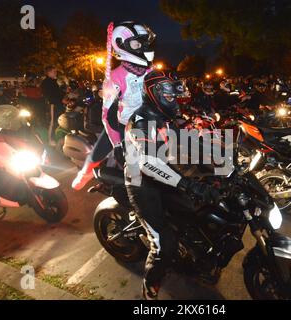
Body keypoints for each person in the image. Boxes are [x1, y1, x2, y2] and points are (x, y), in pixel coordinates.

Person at [124, 71, 220, 300]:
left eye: (176, 95)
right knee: (163, 246)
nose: (174, 100)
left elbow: (189, 142)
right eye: (169, 95)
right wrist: (189, 184)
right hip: (142, 182)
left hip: (164, 174)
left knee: (196, 212)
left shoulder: (162, 116)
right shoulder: (141, 120)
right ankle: (148, 295)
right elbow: (148, 163)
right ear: (155, 92)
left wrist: (222, 160)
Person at [72, 21, 156, 190]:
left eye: (144, 42)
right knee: (99, 152)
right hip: (121, 125)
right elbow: (108, 115)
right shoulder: (115, 78)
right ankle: (85, 174)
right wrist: (117, 143)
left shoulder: (151, 72)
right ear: (120, 45)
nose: (143, 47)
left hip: (145, 123)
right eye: (137, 43)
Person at [41, 66, 64, 146]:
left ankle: (56, 138)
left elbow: (56, 94)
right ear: (49, 72)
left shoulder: (53, 81)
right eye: (54, 71)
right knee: (53, 122)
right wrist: (60, 100)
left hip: (57, 104)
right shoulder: (47, 82)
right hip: (53, 105)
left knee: (58, 121)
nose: (56, 73)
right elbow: (50, 96)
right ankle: (51, 140)